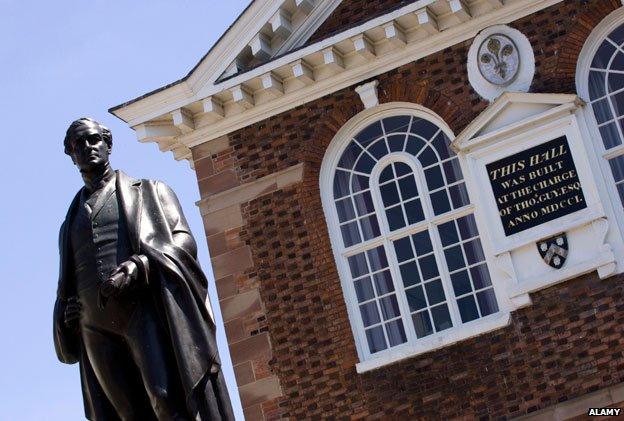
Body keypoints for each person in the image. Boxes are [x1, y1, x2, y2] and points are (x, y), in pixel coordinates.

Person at [53, 118, 234, 420]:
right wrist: (65, 313)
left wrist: (143, 264)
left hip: (140, 312)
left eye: (93, 139)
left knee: (165, 399)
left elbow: (184, 241)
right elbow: (65, 284)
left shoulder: (151, 191)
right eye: (78, 144)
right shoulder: (68, 223)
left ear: (108, 144)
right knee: (126, 414)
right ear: (70, 154)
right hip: (93, 325)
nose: (87, 147)